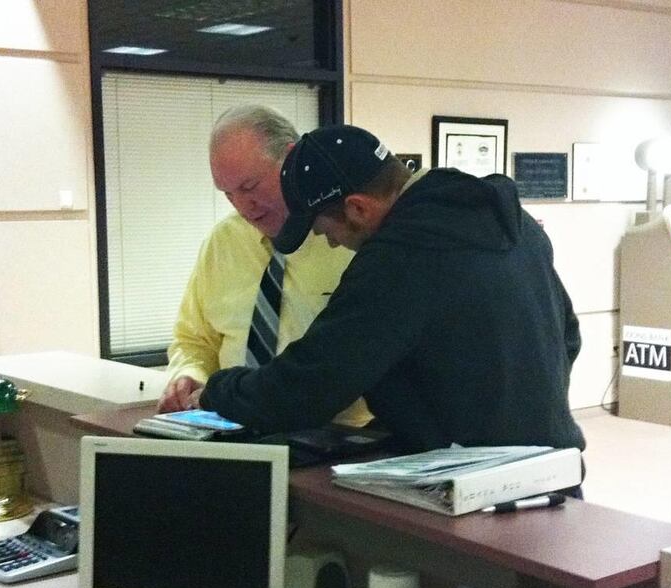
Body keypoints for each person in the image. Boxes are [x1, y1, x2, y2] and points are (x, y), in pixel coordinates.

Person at [166, 123, 586, 454]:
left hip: (473, 482)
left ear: (358, 208)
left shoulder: (400, 256)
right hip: (553, 462)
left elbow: (312, 383)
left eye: (325, 229)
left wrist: (218, 391)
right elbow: (567, 333)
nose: (330, 242)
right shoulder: (515, 225)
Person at [157, 106, 372, 427]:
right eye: (228, 194)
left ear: (291, 160)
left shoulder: (350, 235)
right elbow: (194, 339)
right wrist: (188, 374)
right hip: (234, 433)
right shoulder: (224, 242)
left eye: (249, 186)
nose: (243, 206)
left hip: (340, 440)